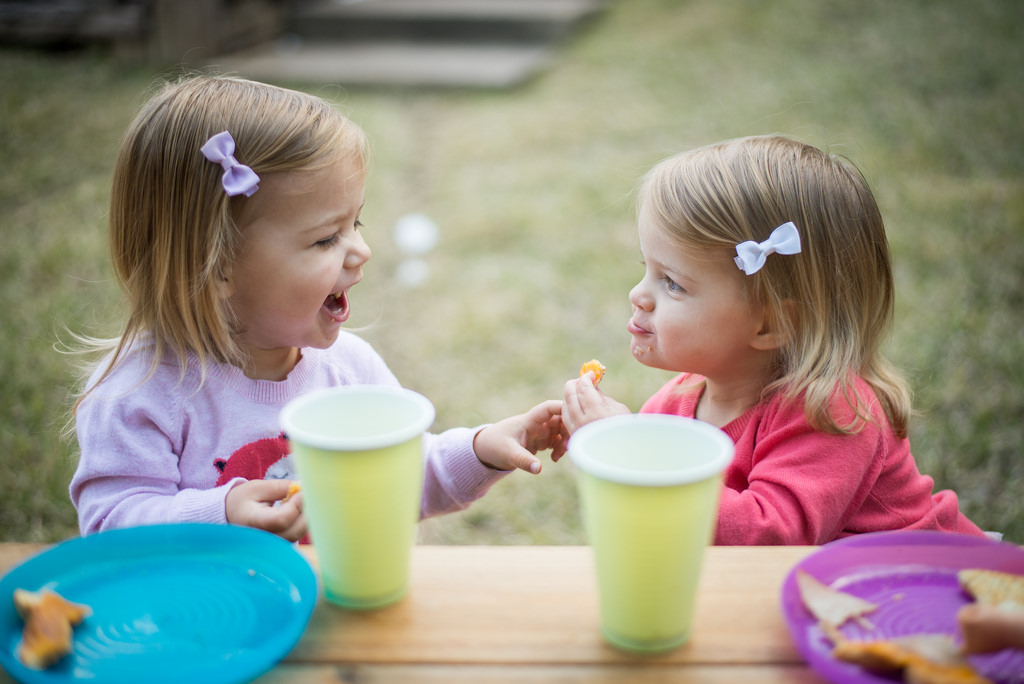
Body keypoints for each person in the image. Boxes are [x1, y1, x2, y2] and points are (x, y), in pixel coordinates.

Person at [70, 75, 565, 542]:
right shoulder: (140, 394)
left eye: (357, 224)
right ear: (215, 266)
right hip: (210, 622)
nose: (360, 251)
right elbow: (111, 523)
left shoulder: (349, 370)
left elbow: (401, 478)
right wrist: (220, 513)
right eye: (327, 238)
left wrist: (481, 451)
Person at [562, 135, 985, 545]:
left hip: (932, 585)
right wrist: (605, 451)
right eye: (647, 270)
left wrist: (634, 451)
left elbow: (771, 538)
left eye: (672, 283)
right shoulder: (671, 409)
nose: (638, 294)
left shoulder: (833, 412)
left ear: (771, 325)